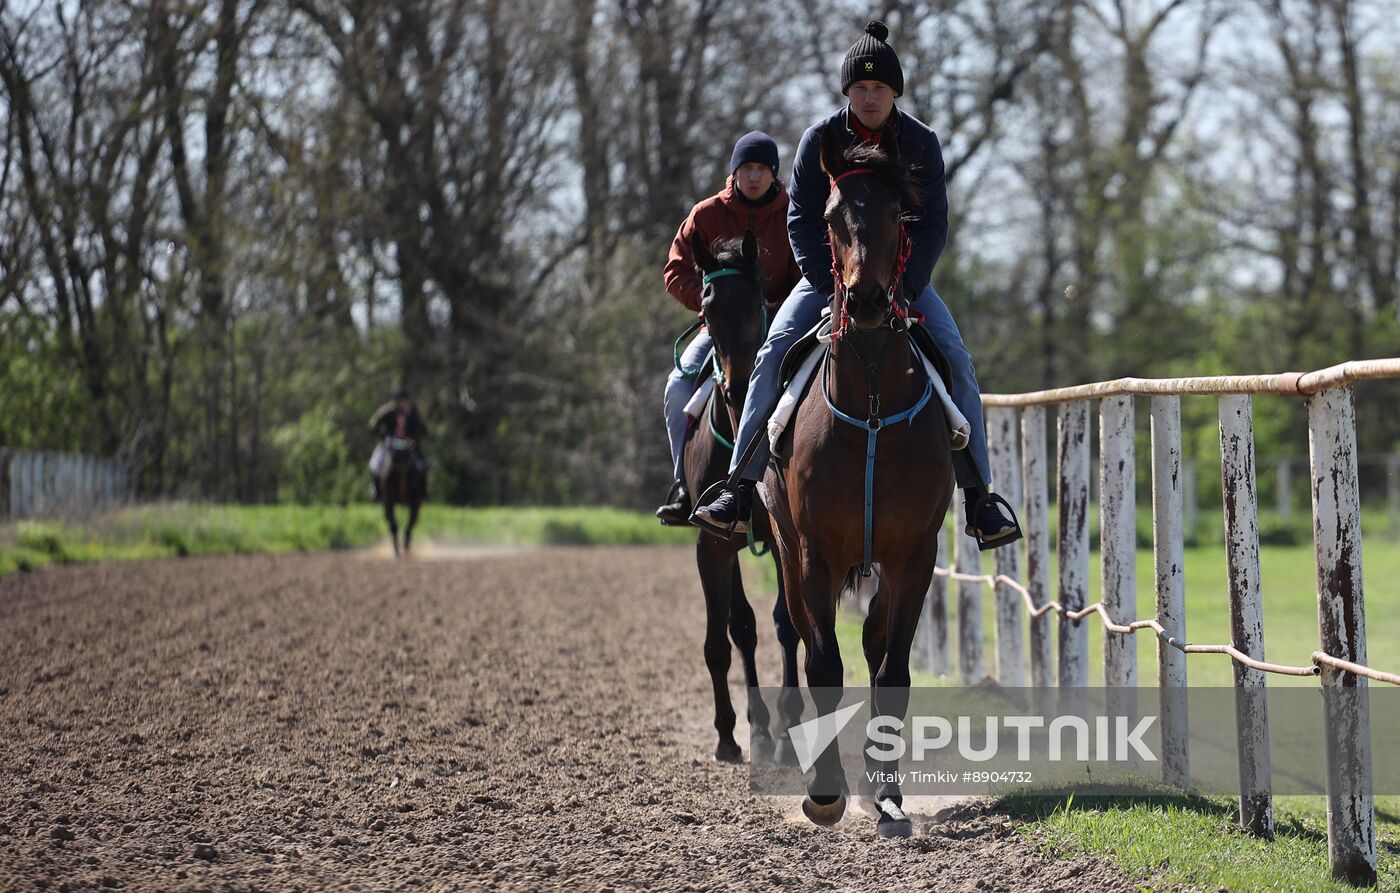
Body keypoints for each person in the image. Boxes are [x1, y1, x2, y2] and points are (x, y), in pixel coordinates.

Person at [693, 20, 1020, 548]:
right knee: (773, 351)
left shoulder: (922, 143)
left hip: (901, 277)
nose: (870, 98)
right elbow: (800, 218)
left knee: (957, 357)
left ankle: (979, 498)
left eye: (880, 89)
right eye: (861, 89)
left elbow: (933, 223)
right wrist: (829, 286)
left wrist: (906, 287)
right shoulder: (817, 141)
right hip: (828, 278)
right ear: (847, 92)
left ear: (895, 93)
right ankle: (737, 487)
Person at [655, 131, 802, 523]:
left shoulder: (794, 214)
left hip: (779, 326)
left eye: (761, 169)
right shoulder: (705, 215)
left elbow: (806, 275)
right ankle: (685, 487)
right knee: (676, 387)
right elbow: (675, 271)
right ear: (734, 173)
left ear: (774, 174)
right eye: (746, 168)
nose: (753, 177)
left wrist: (770, 310)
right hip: (717, 329)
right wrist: (710, 308)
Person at [368, 386, 429, 500]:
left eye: (404, 400)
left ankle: (422, 491)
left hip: (409, 443)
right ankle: (376, 490)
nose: (402, 403)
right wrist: (384, 436)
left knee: (422, 465)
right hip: (390, 442)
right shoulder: (386, 411)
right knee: (376, 463)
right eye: (400, 400)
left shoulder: (413, 412)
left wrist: (415, 439)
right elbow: (373, 425)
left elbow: (423, 430)